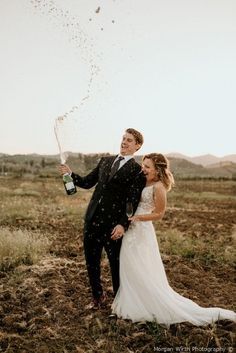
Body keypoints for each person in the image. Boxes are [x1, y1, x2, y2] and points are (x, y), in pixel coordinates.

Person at [111, 153, 236, 326]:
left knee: (142, 267)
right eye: (143, 165)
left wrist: (139, 218)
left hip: (142, 230)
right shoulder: (140, 180)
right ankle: (133, 301)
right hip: (130, 227)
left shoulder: (159, 187)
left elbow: (159, 213)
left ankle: (147, 304)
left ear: (158, 169)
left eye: (148, 166)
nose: (143, 169)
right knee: (128, 265)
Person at [59, 128, 146, 308]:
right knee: (92, 262)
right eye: (123, 138)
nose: (124, 142)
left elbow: (132, 202)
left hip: (113, 226)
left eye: (129, 140)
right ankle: (97, 297)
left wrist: (123, 225)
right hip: (92, 220)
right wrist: (70, 174)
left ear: (137, 146)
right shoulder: (105, 161)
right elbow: (87, 182)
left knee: (116, 265)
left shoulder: (137, 171)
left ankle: (120, 302)